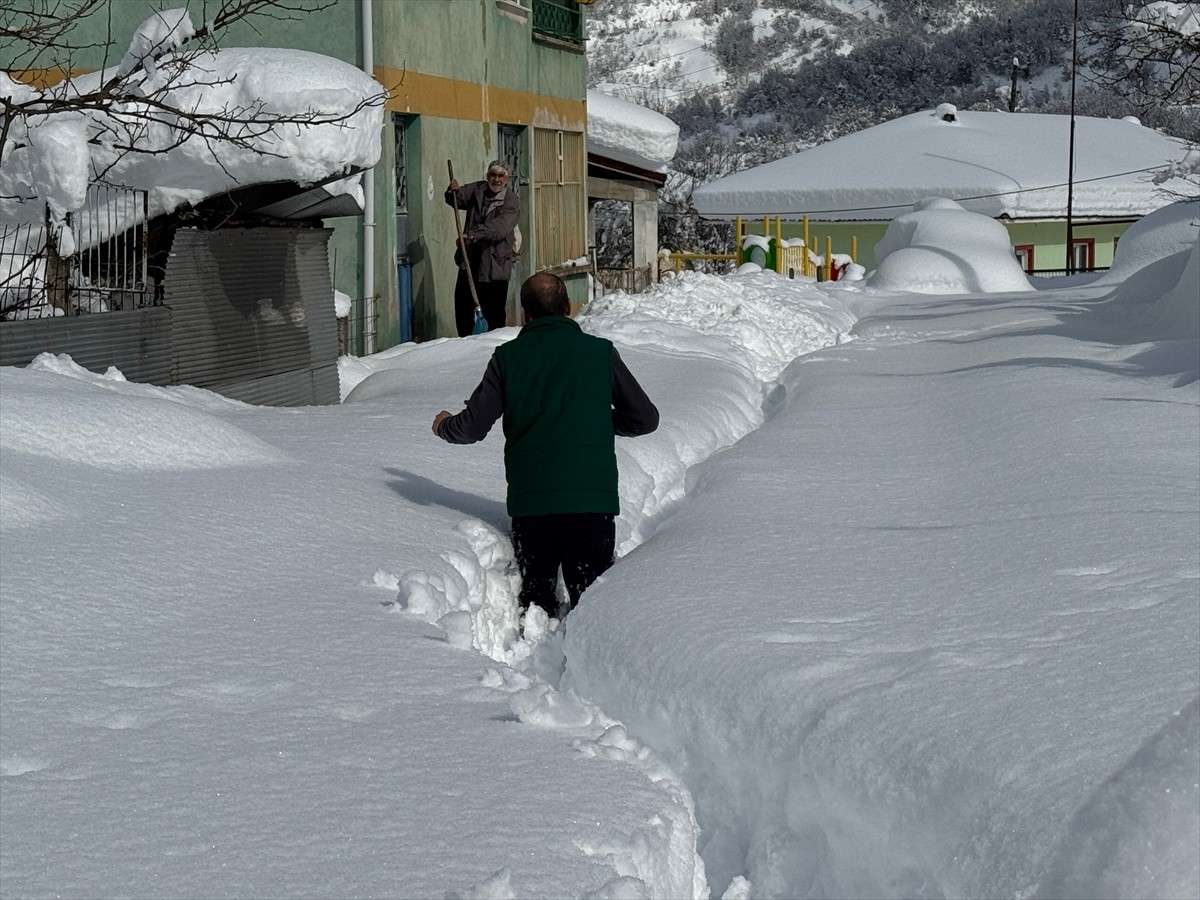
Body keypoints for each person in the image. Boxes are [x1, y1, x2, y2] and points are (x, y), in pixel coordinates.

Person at [432, 272, 659, 625]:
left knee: (537, 607)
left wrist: (443, 425)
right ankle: (589, 667)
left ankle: (535, 659)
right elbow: (646, 419)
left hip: (533, 506)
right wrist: (595, 422)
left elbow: (472, 428)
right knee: (593, 604)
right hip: (590, 504)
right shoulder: (600, 353)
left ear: (525, 314)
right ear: (568, 307)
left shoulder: (508, 358)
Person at [445, 160, 520, 336]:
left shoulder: (511, 202)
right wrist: (453, 191)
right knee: (463, 309)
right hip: (470, 261)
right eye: (492, 175)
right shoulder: (478, 190)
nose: (496, 180)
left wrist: (472, 235)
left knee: (493, 316)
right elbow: (458, 199)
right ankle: (465, 346)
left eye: (500, 176)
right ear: (487, 176)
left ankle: (490, 349)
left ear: (507, 179)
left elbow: (499, 229)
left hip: (495, 268)